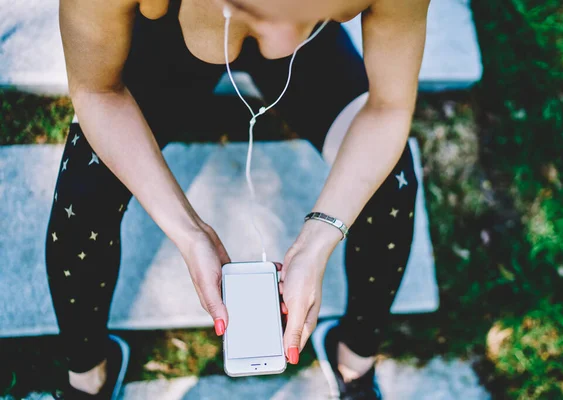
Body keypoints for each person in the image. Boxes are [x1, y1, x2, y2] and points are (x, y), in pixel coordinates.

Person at [46, 0, 429, 398]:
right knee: (83, 194)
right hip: (169, 48)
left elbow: (389, 108)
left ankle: (354, 361)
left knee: (391, 183)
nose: (280, 42)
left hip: (312, 58)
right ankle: (88, 375)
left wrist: (320, 236)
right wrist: (189, 231)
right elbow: (96, 90)